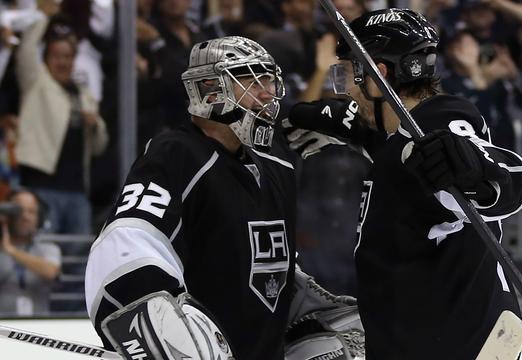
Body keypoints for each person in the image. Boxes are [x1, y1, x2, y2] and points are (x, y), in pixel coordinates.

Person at [85, 36, 362, 360]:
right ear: (208, 89)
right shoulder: (176, 156)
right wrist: (154, 326)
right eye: (250, 79)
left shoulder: (277, 162)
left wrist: (300, 305)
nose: (267, 93)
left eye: (269, 80)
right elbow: (125, 245)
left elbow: (258, 268)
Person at [313, 8, 522, 359]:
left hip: (450, 343)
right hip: (433, 336)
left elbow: (498, 177)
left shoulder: (440, 122)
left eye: (349, 74)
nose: (347, 91)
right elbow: (391, 148)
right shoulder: (403, 137)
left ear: (377, 74)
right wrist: (328, 119)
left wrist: (478, 175)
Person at [15, 3, 108, 235]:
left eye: (67, 56)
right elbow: (25, 51)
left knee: (77, 260)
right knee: (44, 250)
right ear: (45, 58)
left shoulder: (83, 93)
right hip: (41, 186)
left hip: (77, 190)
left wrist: (94, 125)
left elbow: (100, 146)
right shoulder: (36, 82)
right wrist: (42, 19)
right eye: (56, 56)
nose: (62, 62)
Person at [0, 189, 61, 317]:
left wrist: (9, 249)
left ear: (39, 217)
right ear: (7, 214)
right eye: (19, 211)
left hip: (40, 329)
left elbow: (51, 272)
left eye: (31, 212)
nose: (25, 217)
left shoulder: (48, 248)